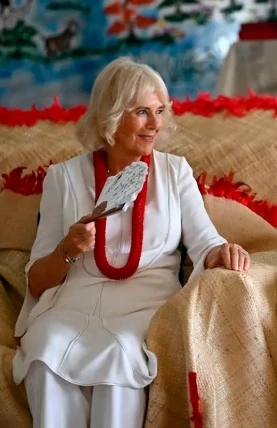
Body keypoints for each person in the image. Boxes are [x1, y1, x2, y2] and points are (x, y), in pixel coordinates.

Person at [13, 57, 250, 428]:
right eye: (142, 112)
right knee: (44, 352)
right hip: (72, 305)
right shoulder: (63, 178)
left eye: (160, 111)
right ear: (110, 116)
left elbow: (206, 242)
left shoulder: (175, 172)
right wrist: (67, 249)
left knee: (119, 357)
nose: (156, 123)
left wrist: (223, 251)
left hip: (144, 307)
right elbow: (37, 280)